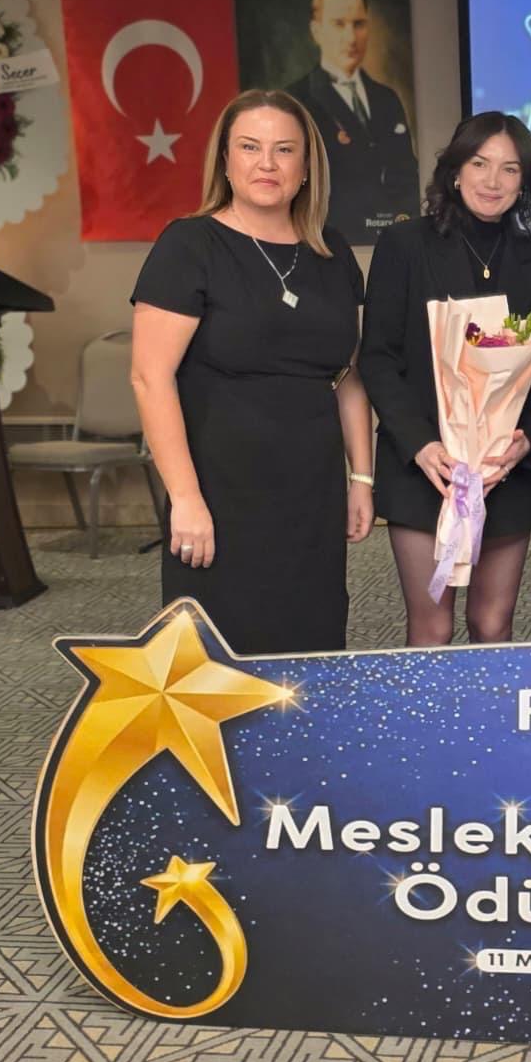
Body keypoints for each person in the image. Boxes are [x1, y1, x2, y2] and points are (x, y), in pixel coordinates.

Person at [130, 88, 374, 655]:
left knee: (311, 647)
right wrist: (185, 498)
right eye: (250, 147)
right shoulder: (189, 244)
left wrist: (361, 478)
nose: (267, 163)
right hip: (219, 492)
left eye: (284, 149)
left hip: (312, 492)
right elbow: (149, 378)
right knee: (219, 659)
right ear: (225, 160)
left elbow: (347, 377)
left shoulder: (332, 252)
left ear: (306, 167)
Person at [360, 111, 531, 646]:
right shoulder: (404, 245)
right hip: (426, 466)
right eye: (480, 164)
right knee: (432, 628)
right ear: (454, 171)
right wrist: (420, 445)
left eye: (510, 169)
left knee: (493, 625)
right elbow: (377, 357)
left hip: (502, 469)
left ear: (524, 183)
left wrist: (529, 439)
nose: (493, 181)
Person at [285, 0, 419, 242]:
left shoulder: (387, 98)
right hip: (327, 241)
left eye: (359, 24)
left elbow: (406, 175)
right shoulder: (296, 100)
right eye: (339, 24)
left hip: (391, 239)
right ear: (316, 31)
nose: (351, 37)